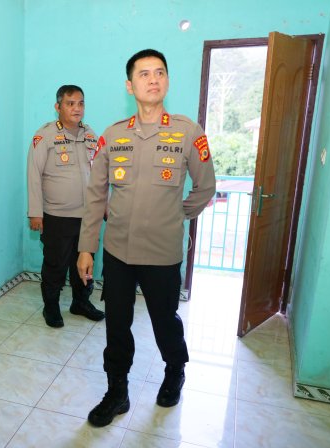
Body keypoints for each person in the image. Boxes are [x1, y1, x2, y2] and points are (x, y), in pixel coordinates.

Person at [77, 49, 216, 427]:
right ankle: (117, 391)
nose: (153, 79)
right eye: (144, 74)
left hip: (162, 253)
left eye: (159, 73)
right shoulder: (113, 135)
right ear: (130, 85)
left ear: (167, 81)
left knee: (164, 320)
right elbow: (96, 195)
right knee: (116, 324)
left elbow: (206, 187)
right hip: (118, 251)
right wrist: (86, 247)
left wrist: (177, 214)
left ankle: (175, 370)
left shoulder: (188, 132)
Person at [27, 85, 105, 328]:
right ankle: (51, 306)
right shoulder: (45, 136)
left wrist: (104, 205)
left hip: (88, 216)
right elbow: (33, 174)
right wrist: (35, 213)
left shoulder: (91, 135)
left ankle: (81, 302)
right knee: (55, 264)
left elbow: (101, 174)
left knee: (86, 263)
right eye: (70, 103)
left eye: (80, 103)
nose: (76, 108)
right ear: (57, 107)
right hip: (57, 215)